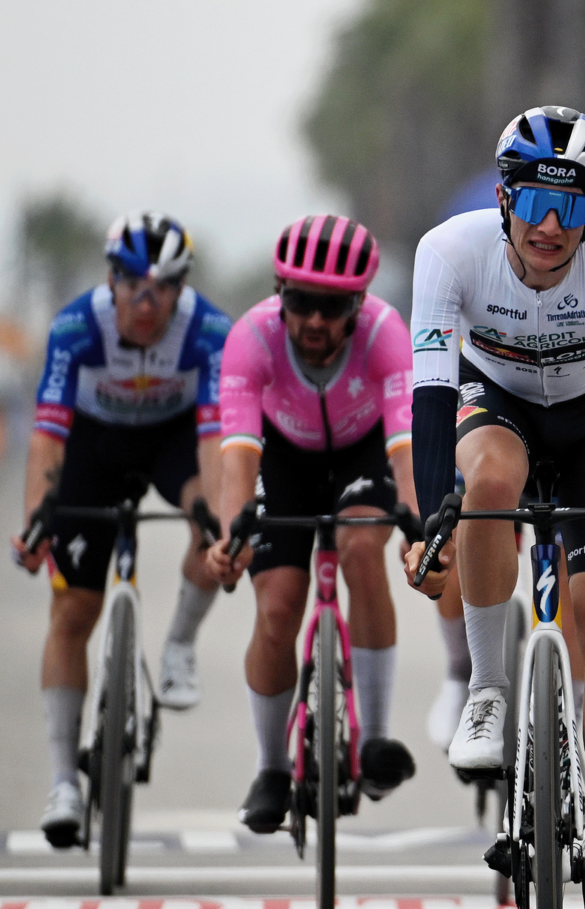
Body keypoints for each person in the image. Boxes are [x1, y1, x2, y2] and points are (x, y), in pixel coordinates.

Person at [402, 105, 585, 909]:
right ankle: (488, 690)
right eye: (533, 202)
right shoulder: (448, 252)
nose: (551, 226)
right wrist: (432, 516)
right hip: (499, 406)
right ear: (502, 197)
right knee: (487, 486)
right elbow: (428, 393)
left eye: (572, 206)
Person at [12, 212, 229, 849]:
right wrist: (35, 520)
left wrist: (214, 521)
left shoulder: (209, 330)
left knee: (211, 522)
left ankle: (180, 644)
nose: (145, 298)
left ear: (181, 288)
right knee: (73, 609)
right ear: (110, 280)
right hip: (93, 447)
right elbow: (48, 435)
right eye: (131, 282)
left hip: (172, 443)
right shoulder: (77, 326)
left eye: (161, 285)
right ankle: (63, 782)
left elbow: (217, 441)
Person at [207, 216, 421, 830]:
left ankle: (375, 736)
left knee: (361, 550)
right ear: (281, 295)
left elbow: (405, 440)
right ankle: (271, 767)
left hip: (363, 452)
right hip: (284, 456)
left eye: (333, 306)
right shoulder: (252, 338)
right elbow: (239, 454)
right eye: (300, 303)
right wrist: (230, 538)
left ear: (359, 303)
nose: (316, 322)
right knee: (277, 604)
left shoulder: (384, 332)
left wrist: (417, 522)